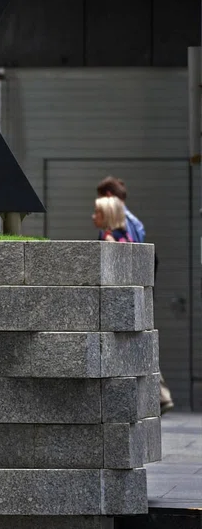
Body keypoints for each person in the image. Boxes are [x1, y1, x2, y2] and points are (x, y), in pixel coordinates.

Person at [95, 176, 174, 413]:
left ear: (109, 196)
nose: (93, 215)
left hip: (125, 297)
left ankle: (156, 395)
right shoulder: (135, 224)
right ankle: (158, 395)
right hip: (137, 295)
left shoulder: (117, 231)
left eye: (97, 208)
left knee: (132, 345)